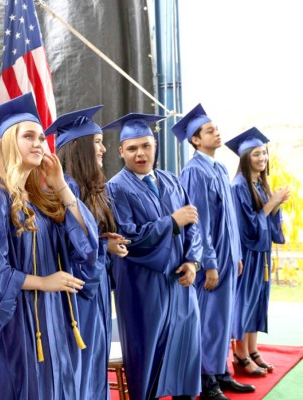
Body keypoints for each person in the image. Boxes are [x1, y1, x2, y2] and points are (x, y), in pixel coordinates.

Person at [0, 92, 99, 400]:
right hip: (22, 322)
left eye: (41, 137)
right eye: (29, 136)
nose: (39, 143)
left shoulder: (41, 199)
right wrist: (43, 282)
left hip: (58, 316)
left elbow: (87, 245)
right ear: (8, 143)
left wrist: (61, 185)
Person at [105, 113, 202, 400]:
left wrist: (193, 261)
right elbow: (127, 237)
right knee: (147, 353)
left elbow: (194, 224)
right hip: (142, 286)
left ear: (155, 146)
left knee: (185, 348)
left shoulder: (171, 181)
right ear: (121, 151)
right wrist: (171, 222)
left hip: (179, 283)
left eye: (146, 146)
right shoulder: (116, 188)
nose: (140, 154)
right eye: (132, 148)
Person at [172, 104, 254, 400]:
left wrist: (237, 255)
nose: (216, 132)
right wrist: (209, 263)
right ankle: (207, 380)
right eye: (209, 130)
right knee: (209, 320)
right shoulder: (194, 171)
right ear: (195, 139)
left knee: (223, 318)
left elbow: (229, 218)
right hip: (211, 260)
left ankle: (220, 371)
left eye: (216, 128)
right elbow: (199, 222)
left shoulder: (219, 168)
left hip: (228, 257)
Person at [46, 106, 129, 400]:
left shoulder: (89, 187)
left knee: (95, 365)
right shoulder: (65, 187)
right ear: (79, 148)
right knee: (84, 368)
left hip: (93, 290)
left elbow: (88, 243)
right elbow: (77, 249)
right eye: (96, 142)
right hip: (79, 294)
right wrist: (100, 246)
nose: (104, 148)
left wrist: (104, 243)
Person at [225, 127, 289, 374]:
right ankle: (240, 356)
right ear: (245, 157)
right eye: (256, 154)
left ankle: (253, 350)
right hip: (248, 254)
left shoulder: (259, 184)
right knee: (245, 302)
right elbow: (247, 227)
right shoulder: (238, 186)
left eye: (264, 153)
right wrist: (273, 202)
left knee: (258, 301)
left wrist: (275, 204)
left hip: (261, 253)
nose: (262, 158)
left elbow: (267, 222)